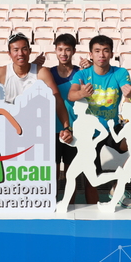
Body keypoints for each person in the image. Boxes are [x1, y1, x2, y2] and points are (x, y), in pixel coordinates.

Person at [68, 35, 131, 206]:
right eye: (97, 51)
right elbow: (71, 95)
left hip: (113, 127)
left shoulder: (120, 73)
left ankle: (118, 188)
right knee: (92, 177)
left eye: (106, 51)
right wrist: (82, 93)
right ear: (90, 54)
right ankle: (93, 210)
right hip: (90, 132)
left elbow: (129, 94)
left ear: (111, 54)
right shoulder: (82, 74)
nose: (101, 55)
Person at [0, 32, 71, 134]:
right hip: (7, 130)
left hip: (36, 130)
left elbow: (57, 100)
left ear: (30, 51)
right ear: (9, 53)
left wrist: (66, 128)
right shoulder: (1, 73)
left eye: (24, 49)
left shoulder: (42, 73)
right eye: (16, 50)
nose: (20, 53)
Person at [47, 34, 80, 198]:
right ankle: (51, 204)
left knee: (71, 174)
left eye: (67, 50)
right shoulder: (47, 73)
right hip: (51, 130)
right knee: (51, 172)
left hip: (74, 130)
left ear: (73, 51)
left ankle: (70, 206)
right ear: (55, 50)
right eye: (60, 49)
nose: (63, 53)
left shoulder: (81, 73)